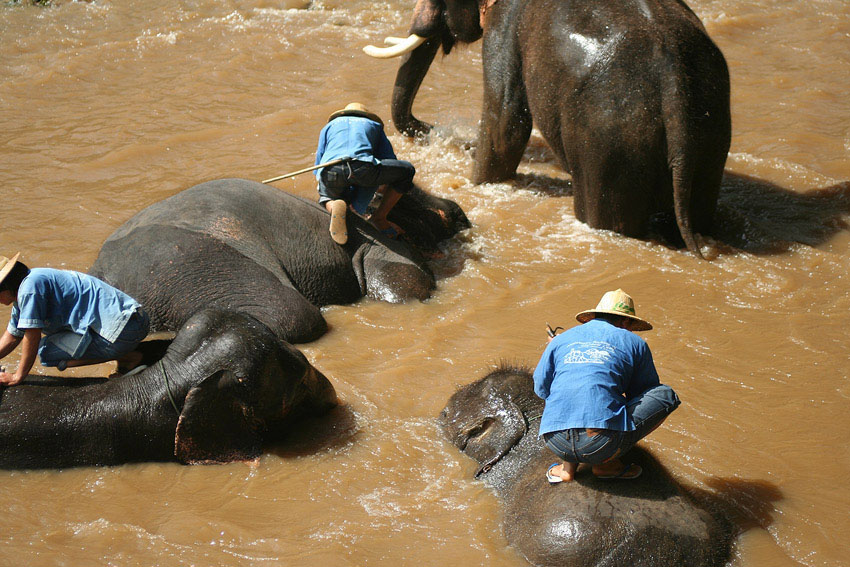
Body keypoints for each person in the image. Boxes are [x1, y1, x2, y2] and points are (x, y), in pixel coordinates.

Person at [533, 289, 680, 483]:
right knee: (665, 395)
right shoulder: (635, 342)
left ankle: (566, 468)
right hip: (599, 445)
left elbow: (541, 388)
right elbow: (641, 394)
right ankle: (606, 465)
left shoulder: (560, 341)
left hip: (555, 441)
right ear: (625, 321)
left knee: (567, 390)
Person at [0, 253, 150, 385]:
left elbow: (32, 336)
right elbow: (13, 335)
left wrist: (17, 377)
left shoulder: (29, 290)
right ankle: (125, 353)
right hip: (131, 321)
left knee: (46, 352)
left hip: (124, 329)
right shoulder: (30, 284)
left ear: (7, 285)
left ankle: (127, 357)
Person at [314, 102, 416, 245]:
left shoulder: (328, 127)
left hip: (331, 169)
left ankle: (333, 205)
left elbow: (318, 163)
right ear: (366, 115)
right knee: (407, 170)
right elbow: (388, 159)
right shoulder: (374, 125)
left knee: (326, 196)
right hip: (361, 168)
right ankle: (378, 217)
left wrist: (324, 188)